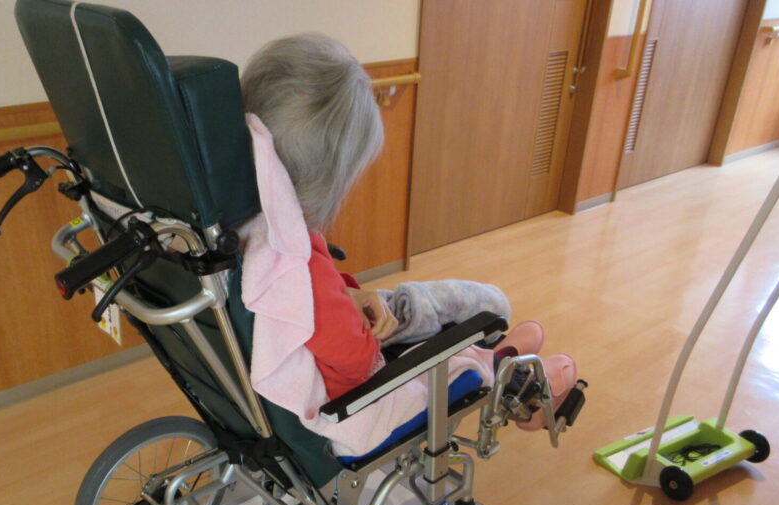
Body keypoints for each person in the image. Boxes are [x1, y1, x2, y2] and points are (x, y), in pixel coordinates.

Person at [239, 33, 572, 440]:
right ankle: (506, 372)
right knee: (458, 354)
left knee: (422, 310)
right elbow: (354, 355)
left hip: (322, 351)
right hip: (359, 398)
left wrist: (350, 295)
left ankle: (491, 345)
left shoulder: (252, 229)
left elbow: (319, 305)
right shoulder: (295, 263)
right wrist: (361, 328)